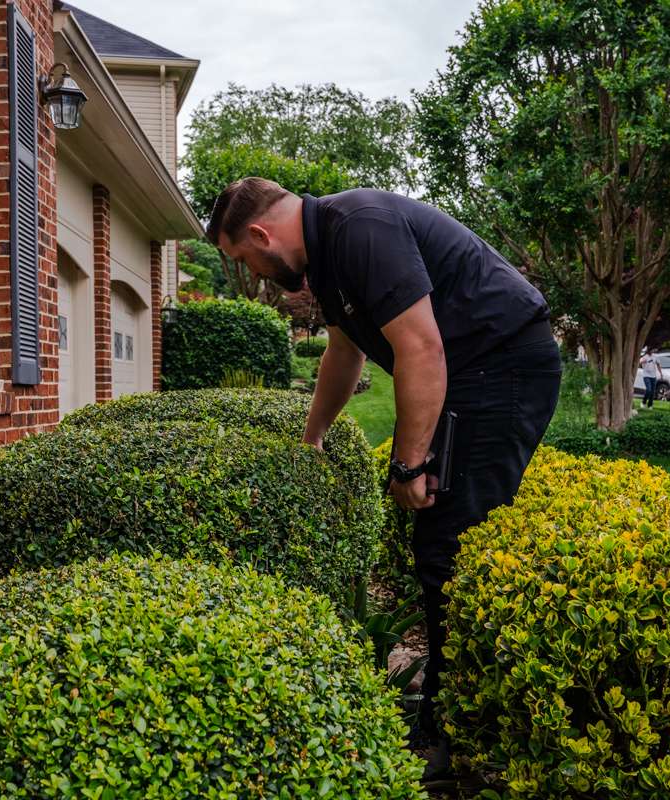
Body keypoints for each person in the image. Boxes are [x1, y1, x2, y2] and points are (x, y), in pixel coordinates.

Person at [205, 177, 562, 781]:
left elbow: (422, 349)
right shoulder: (330, 253)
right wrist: (311, 438)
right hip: (472, 372)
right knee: (439, 545)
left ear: (262, 234)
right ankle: (448, 710)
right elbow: (344, 354)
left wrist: (410, 463)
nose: (261, 276)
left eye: (248, 260)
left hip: (502, 367)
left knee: (451, 545)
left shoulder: (361, 227)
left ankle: (459, 738)